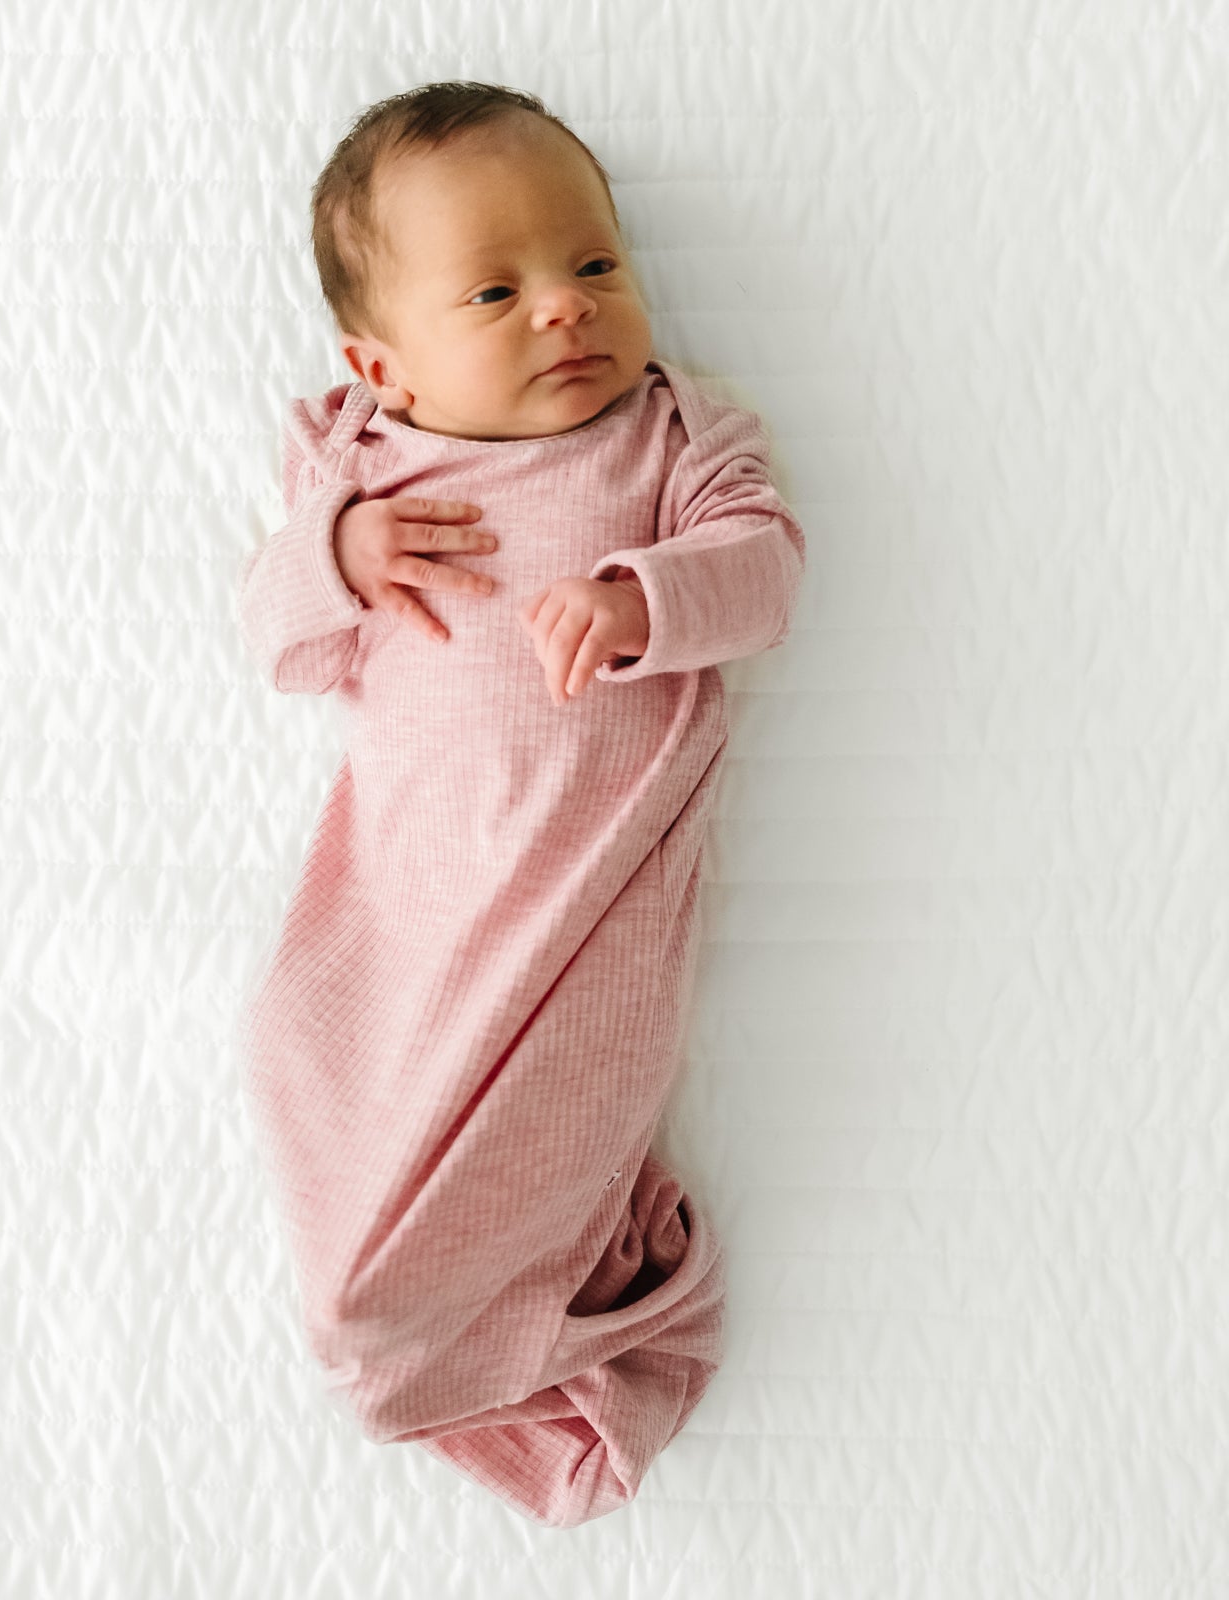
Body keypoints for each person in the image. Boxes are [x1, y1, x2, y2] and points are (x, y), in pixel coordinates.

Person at [234, 80, 806, 1528]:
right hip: (402, 910)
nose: (565, 308)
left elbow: (767, 568)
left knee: (538, 1150)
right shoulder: (367, 470)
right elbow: (279, 641)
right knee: (317, 1096)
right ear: (386, 365)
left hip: (584, 918)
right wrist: (344, 554)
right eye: (495, 289)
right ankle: (429, 1331)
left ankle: (518, 1318)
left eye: (595, 267)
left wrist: (645, 595)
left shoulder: (672, 442)